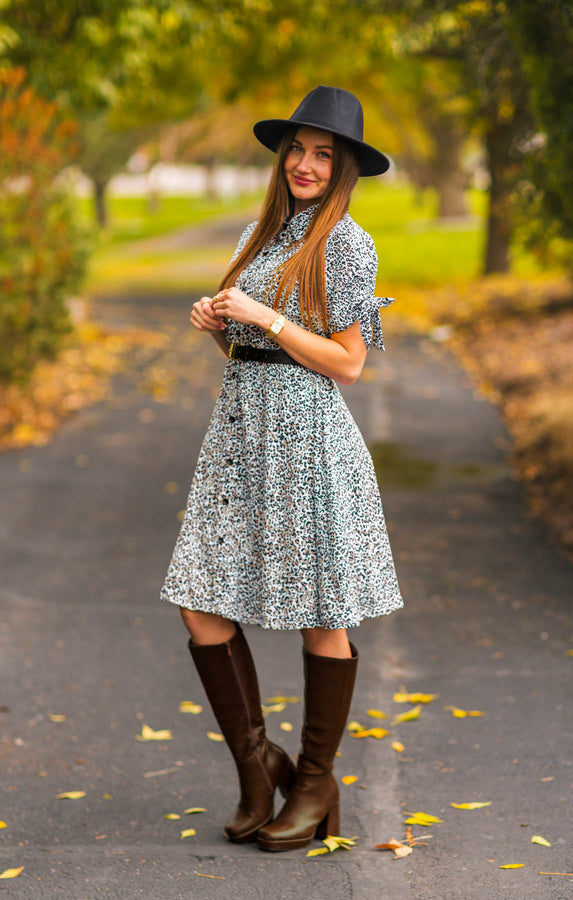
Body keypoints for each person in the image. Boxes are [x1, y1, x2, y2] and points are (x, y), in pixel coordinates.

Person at [160, 85, 403, 852]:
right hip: (239, 436)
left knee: (320, 612)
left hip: (307, 443)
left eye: (322, 154)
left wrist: (265, 315)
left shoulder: (347, 244)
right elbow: (252, 350)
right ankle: (257, 765)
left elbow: (349, 363)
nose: (305, 163)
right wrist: (219, 324)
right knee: (200, 599)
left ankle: (316, 779)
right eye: (297, 149)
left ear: (345, 168)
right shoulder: (262, 234)